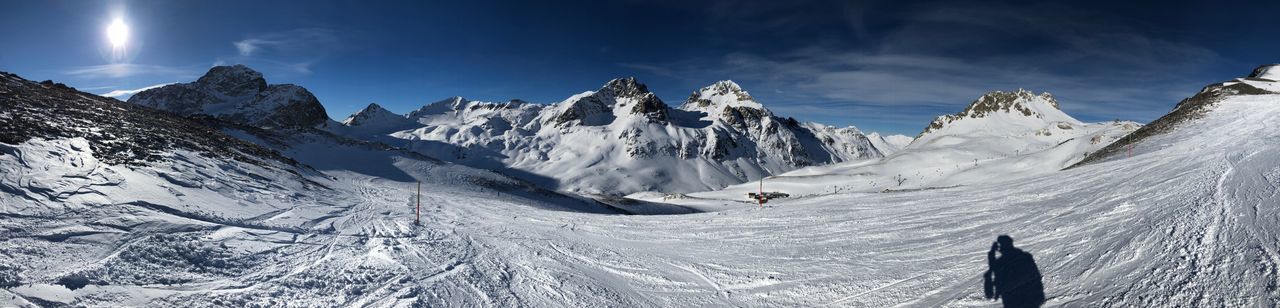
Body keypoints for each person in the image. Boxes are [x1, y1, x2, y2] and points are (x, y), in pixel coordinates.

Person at [984, 235, 1045, 307]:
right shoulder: (1025, 256)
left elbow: (1035, 275)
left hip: (1015, 299)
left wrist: (992, 251)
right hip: (1023, 298)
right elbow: (1035, 275)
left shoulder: (1002, 262)